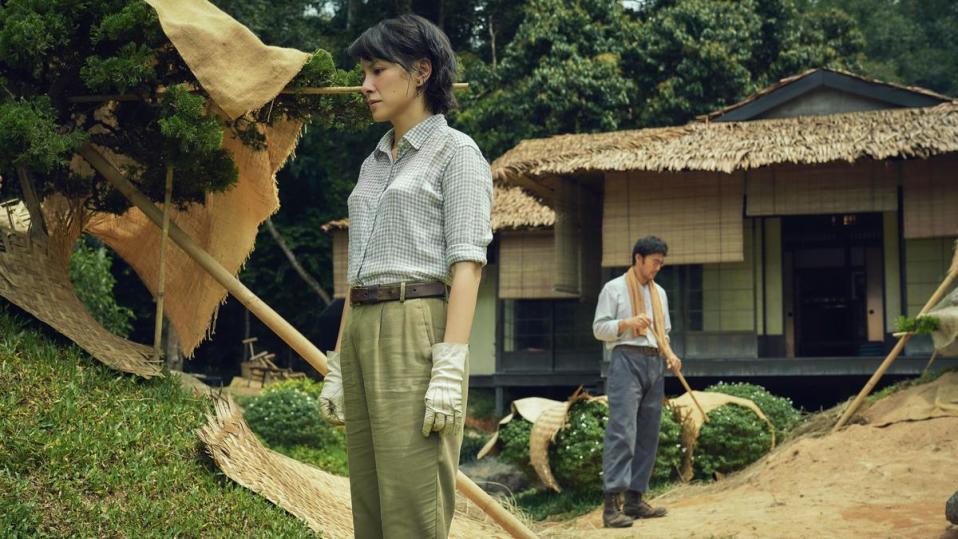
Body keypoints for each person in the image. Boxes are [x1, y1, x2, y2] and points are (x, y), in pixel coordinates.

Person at [317, 14, 493, 539]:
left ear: (421, 71)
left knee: (412, 502)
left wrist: (449, 365)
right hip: (363, 323)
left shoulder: (457, 153)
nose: (364, 85)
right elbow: (358, 268)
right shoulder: (373, 164)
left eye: (376, 71)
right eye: (362, 73)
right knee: (368, 502)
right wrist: (338, 364)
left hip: (417, 327)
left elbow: (468, 264)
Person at [592, 235, 683, 528]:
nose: (657, 267)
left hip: (654, 361)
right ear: (638, 259)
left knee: (648, 432)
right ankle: (611, 506)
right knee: (623, 430)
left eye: (661, 263)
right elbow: (599, 328)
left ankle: (634, 499)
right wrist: (627, 324)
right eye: (654, 262)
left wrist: (670, 354)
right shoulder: (614, 288)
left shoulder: (661, 294)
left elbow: (663, 332)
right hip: (626, 360)